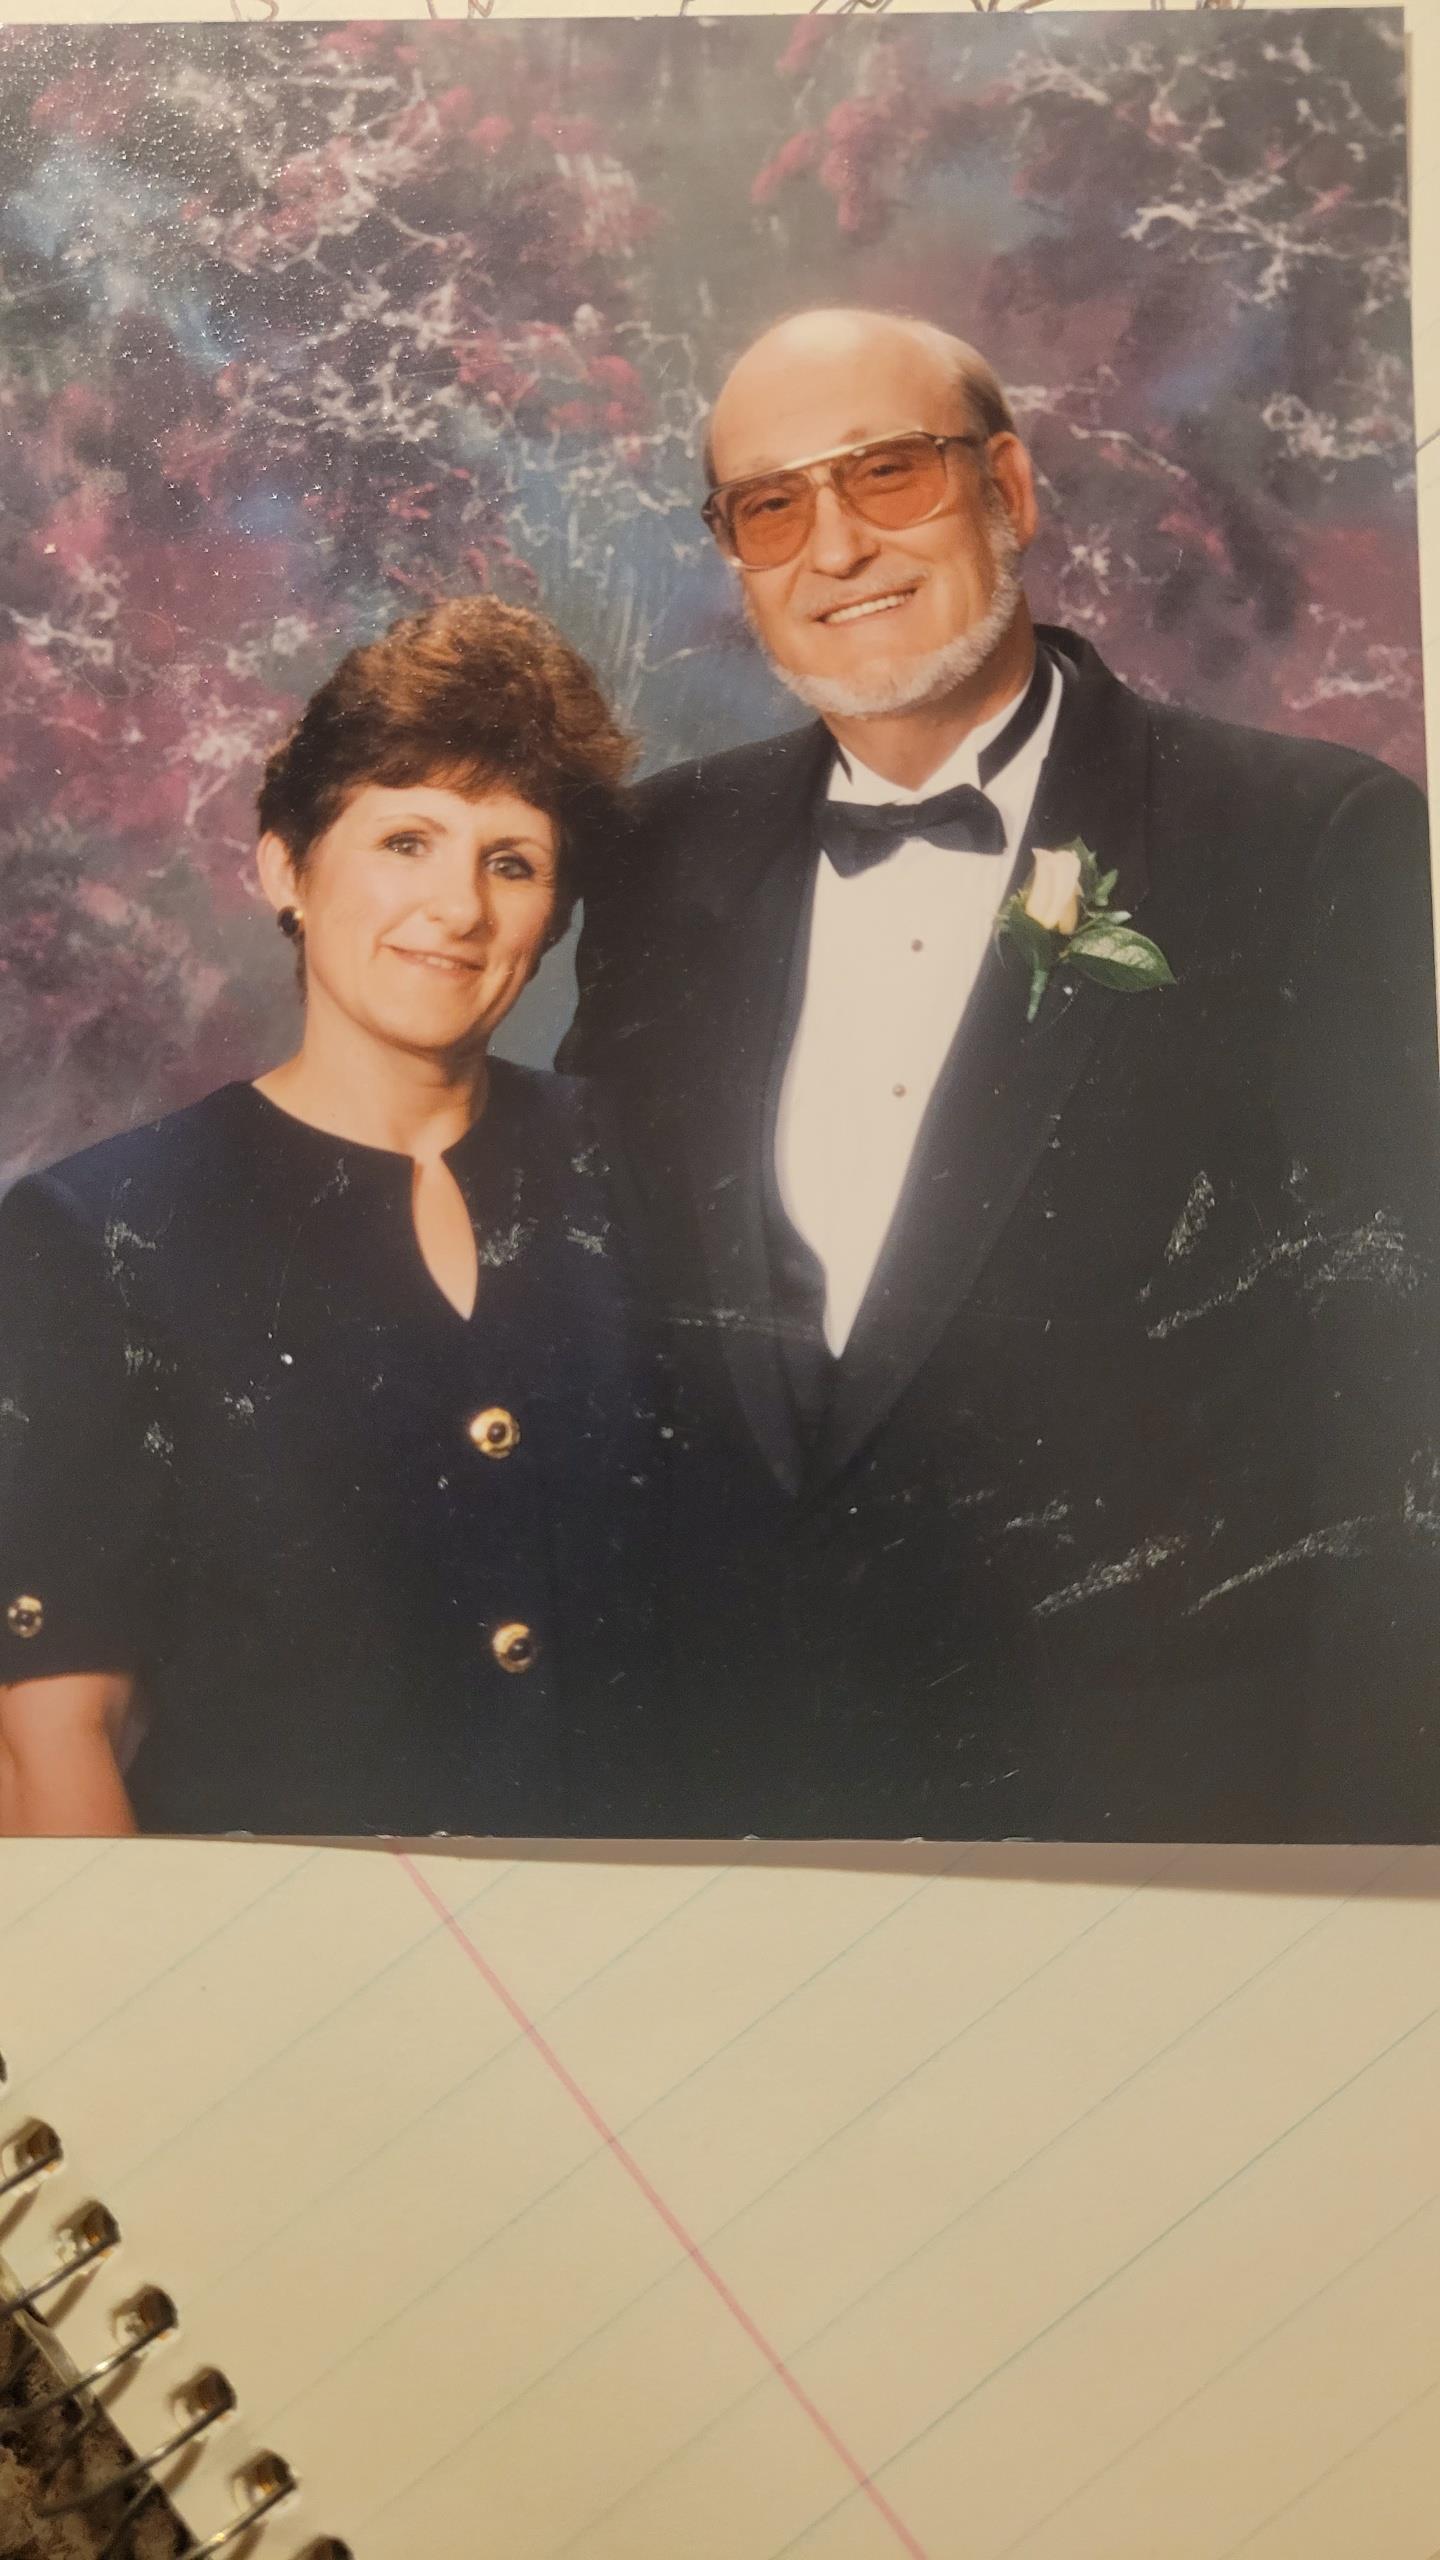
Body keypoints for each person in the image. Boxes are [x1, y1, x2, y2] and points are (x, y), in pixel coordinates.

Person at [561, 305, 1440, 1843]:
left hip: (1165, 1816)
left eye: (888, 473)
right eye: (772, 507)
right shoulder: (653, 856)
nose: (837, 547)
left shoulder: (1307, 840)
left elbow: (1398, 1406)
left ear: (1009, 492)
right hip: (737, 1801)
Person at [0, 596, 661, 1839]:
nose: (458, 908)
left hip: (645, 1937)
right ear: (285, 868)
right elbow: (48, 1746)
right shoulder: (99, 1231)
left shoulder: (652, 1173)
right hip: (278, 1943)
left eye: (511, 862)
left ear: (553, 919)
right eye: (407, 839)